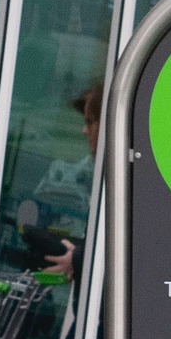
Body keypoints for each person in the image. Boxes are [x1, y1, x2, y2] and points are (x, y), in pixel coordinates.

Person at [40, 81, 103, 281]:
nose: (85, 130)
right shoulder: (98, 173)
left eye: (91, 121)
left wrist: (78, 258)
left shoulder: (131, 186)